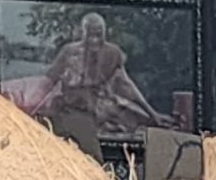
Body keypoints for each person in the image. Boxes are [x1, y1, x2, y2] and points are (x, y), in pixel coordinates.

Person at [27, 12, 165, 137]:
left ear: (105, 33)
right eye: (90, 35)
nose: (94, 40)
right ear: (83, 33)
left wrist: (152, 113)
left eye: (98, 35)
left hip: (101, 111)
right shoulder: (69, 52)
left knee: (137, 120)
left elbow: (126, 84)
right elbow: (48, 83)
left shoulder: (113, 53)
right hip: (71, 110)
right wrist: (33, 109)